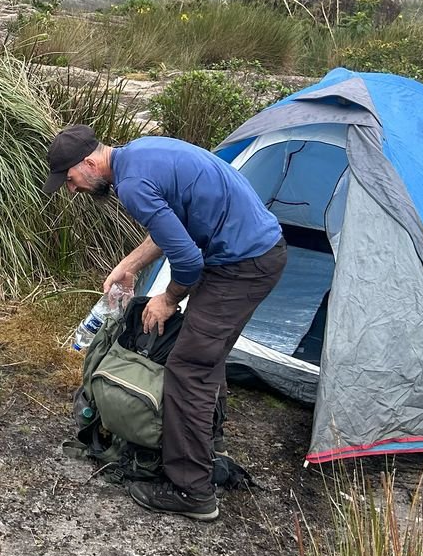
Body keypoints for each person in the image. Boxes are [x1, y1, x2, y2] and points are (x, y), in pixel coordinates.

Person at [45, 124, 286, 521]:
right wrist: (129, 265)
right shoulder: (139, 153)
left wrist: (168, 299)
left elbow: (188, 261)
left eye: (70, 180)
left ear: (88, 163)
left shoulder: (132, 184)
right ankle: (207, 445)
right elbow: (173, 227)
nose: (72, 190)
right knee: (204, 354)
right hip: (250, 254)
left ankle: (193, 491)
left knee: (188, 368)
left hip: (242, 265)